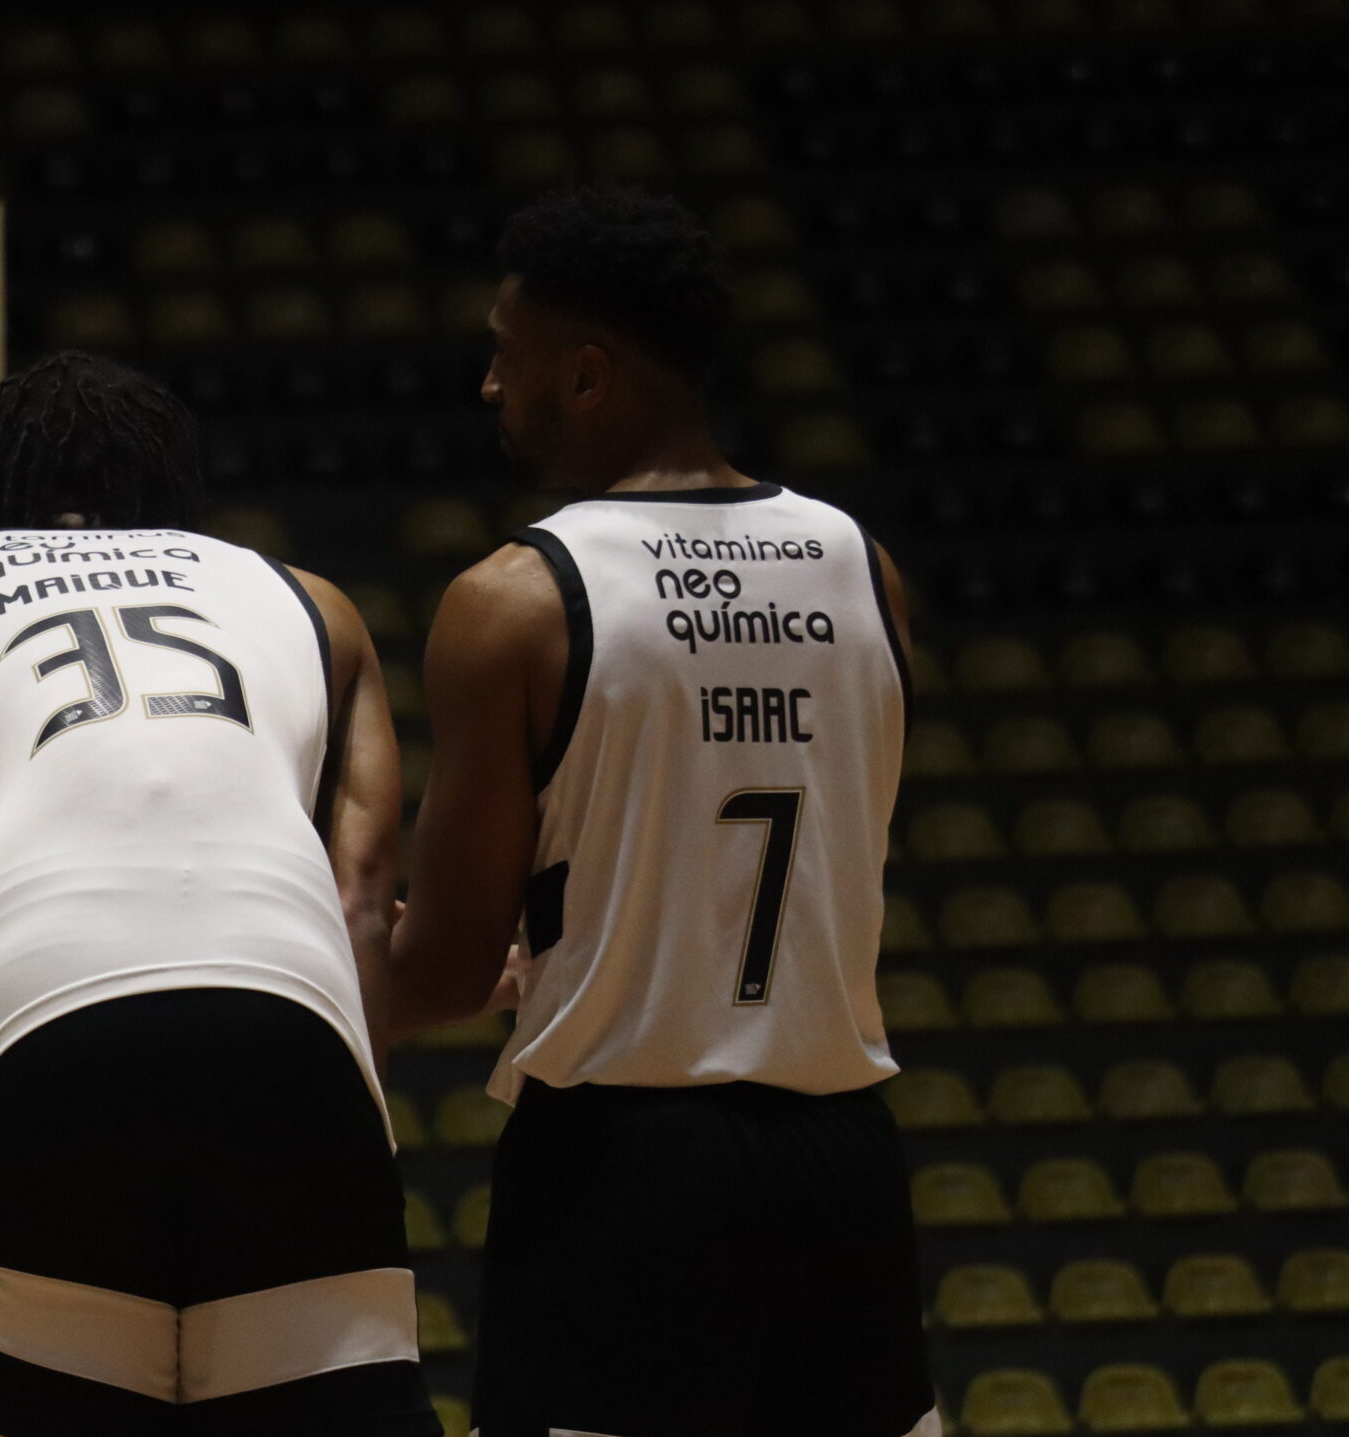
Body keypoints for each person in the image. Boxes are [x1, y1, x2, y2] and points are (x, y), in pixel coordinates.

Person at [380, 186, 936, 1437]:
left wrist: (295, 991)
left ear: (583, 374)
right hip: (838, 1156)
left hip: (623, 1170)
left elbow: (453, 962)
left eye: (502, 353)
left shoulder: (515, 599)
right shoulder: (863, 566)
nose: (486, 386)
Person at [0, 353, 440, 1437]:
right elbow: (360, 903)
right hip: (293, 1044)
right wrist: (343, 1131)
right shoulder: (313, 605)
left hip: (42, 1049)